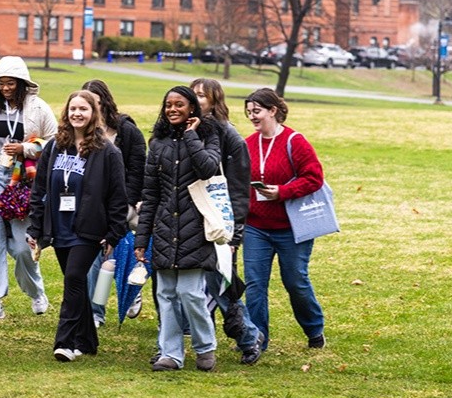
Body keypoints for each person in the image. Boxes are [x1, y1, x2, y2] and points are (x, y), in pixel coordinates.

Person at [26, 90, 128, 361]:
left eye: (83, 109)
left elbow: (118, 196)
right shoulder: (54, 146)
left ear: (94, 113)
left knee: (73, 278)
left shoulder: (108, 152)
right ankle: (87, 340)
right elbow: (39, 189)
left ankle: (66, 342)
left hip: (89, 229)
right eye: (73, 109)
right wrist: (36, 227)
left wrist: (114, 234)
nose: (77, 114)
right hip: (59, 227)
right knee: (77, 283)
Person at [135, 86, 221, 371]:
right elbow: (150, 195)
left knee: (190, 293)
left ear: (192, 108)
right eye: (168, 105)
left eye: (179, 104)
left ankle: (205, 346)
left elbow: (208, 168)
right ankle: (171, 353)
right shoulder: (157, 143)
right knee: (166, 294)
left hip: (195, 226)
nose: (172, 109)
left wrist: (191, 135)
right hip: (164, 227)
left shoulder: (208, 136)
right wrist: (141, 239)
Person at [0, 56, 58, 321]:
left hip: (24, 179)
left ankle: (36, 292)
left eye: (10, 83)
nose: (5, 88)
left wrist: (25, 148)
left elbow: (55, 141)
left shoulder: (38, 107)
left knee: (22, 246)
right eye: (0, 84)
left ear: (21, 83)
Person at [242, 87, 326, 350]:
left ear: (273, 111)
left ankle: (314, 329)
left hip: (291, 227)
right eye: (248, 112)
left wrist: (282, 192)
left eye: (257, 111)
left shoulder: (295, 141)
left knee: (295, 281)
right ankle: (256, 339)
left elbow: (314, 178)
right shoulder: (248, 144)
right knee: (255, 285)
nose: (252, 117)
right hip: (256, 226)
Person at [190, 77, 263, 365]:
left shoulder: (228, 136)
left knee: (219, 282)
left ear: (214, 101)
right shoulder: (186, 130)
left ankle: (248, 336)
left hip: (219, 220)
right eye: (193, 94)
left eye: (201, 95)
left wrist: (235, 234)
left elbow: (239, 188)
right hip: (189, 216)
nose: (196, 99)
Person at [80, 79, 146, 326]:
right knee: (97, 259)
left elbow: (138, 170)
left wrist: (128, 202)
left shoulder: (127, 131)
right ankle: (96, 312)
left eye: (95, 102)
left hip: (123, 205)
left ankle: (130, 290)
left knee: (115, 255)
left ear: (105, 102)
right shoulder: (82, 131)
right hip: (93, 205)